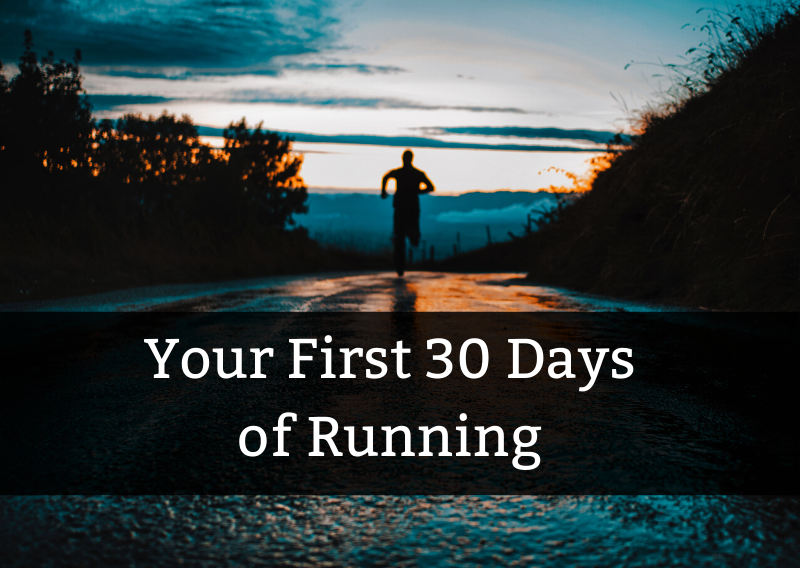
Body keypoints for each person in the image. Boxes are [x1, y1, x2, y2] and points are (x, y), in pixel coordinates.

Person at [381, 150, 435, 276]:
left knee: (399, 235)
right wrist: (417, 190)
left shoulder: (399, 172)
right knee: (404, 235)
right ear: (411, 159)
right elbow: (430, 187)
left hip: (401, 207)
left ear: (403, 159)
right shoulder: (418, 174)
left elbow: (386, 177)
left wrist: (383, 191)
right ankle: (412, 237)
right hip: (411, 207)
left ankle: (400, 264)